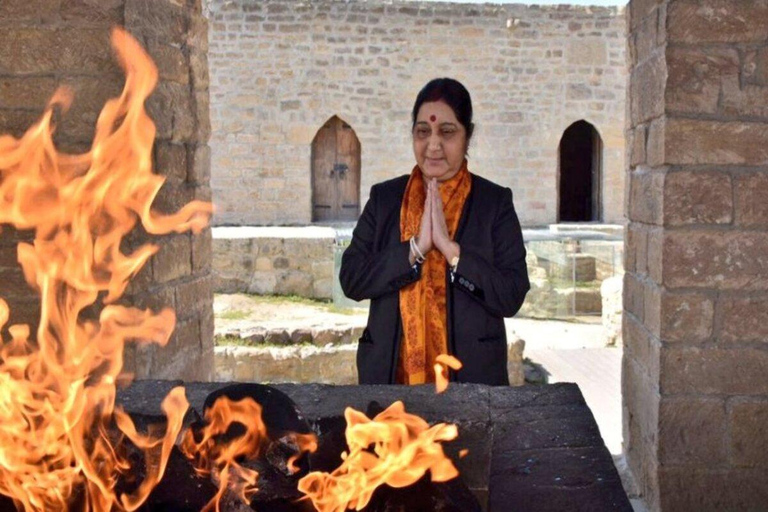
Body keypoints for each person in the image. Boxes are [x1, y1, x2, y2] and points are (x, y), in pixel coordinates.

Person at [340, 78, 530, 386]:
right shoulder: (385, 200)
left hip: (472, 383)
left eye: (447, 131)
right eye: (423, 131)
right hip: (391, 384)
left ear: (469, 136)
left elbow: (511, 295)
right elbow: (351, 279)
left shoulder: (493, 203)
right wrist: (415, 249)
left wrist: (451, 251)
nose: (433, 145)